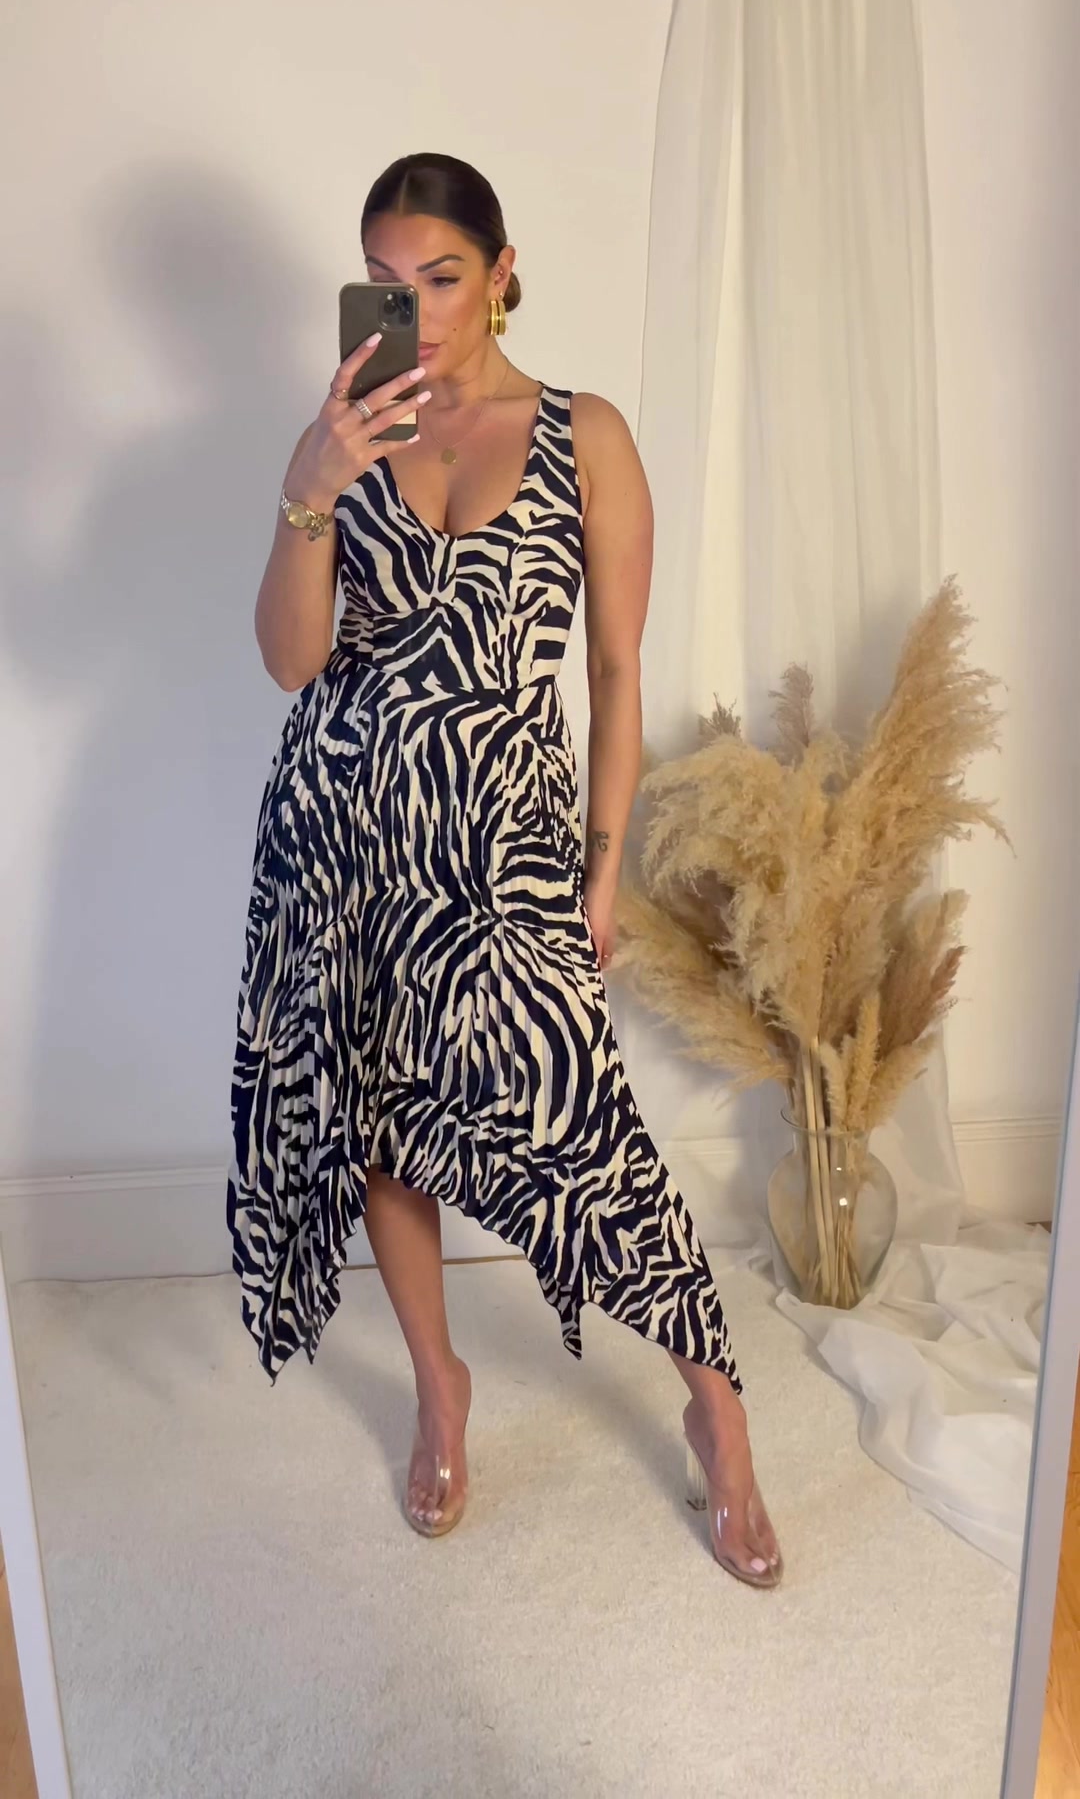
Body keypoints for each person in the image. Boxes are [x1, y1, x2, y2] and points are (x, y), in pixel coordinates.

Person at [227, 152, 783, 1587]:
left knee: (588, 1132)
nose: (416, 306)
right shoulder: (344, 436)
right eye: (386, 281)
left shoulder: (582, 432)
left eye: (443, 276)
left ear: (503, 271)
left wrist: (599, 868)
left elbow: (616, 672)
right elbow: (291, 662)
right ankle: (441, 1386)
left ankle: (715, 1407)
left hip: (503, 842)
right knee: (376, 1123)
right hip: (343, 830)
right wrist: (307, 491)